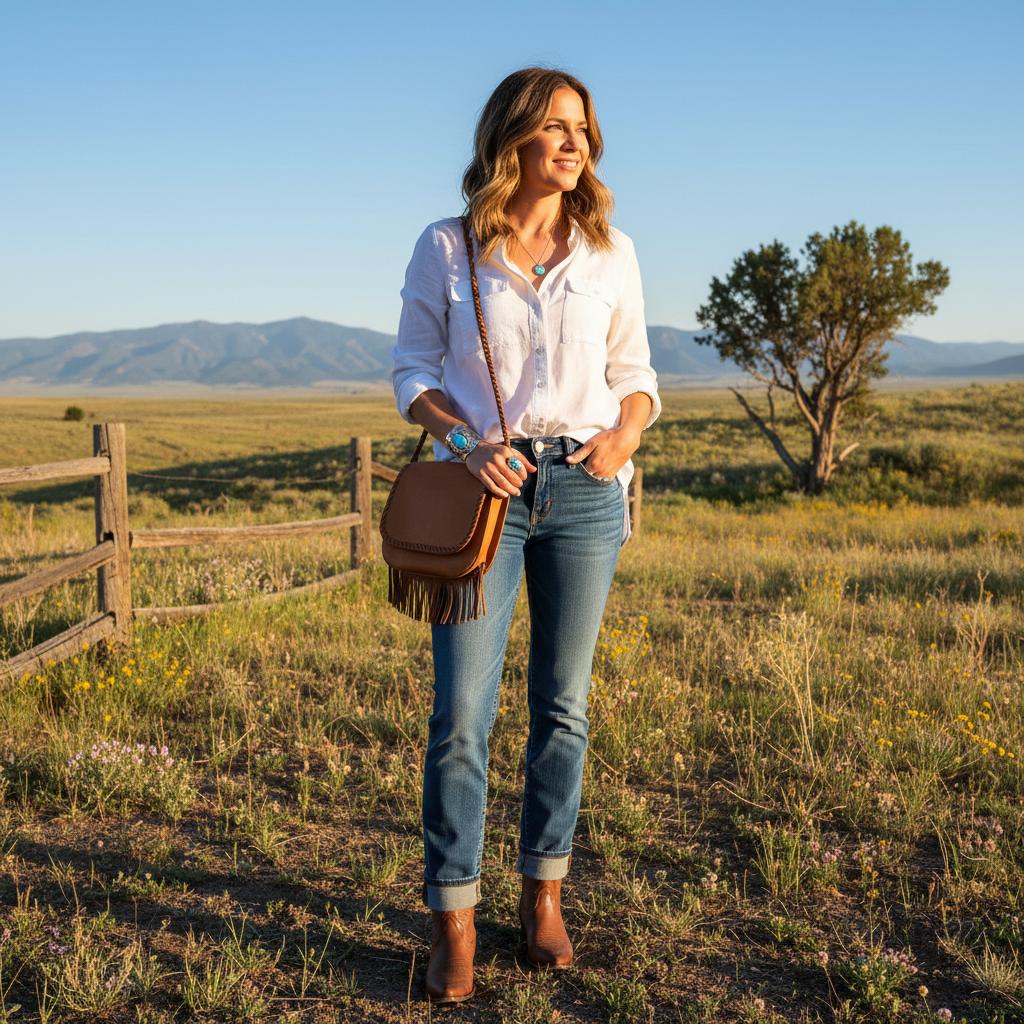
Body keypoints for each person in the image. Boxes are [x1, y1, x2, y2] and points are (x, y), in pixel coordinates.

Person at [390, 66, 661, 1004]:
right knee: (463, 716)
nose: (573, 141)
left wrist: (620, 439)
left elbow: (636, 373)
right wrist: (465, 444)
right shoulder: (449, 246)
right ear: (512, 138)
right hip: (485, 497)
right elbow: (412, 371)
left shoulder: (610, 250)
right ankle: (452, 917)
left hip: (586, 494)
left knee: (565, 708)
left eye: (581, 126)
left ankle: (544, 897)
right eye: (553, 125)